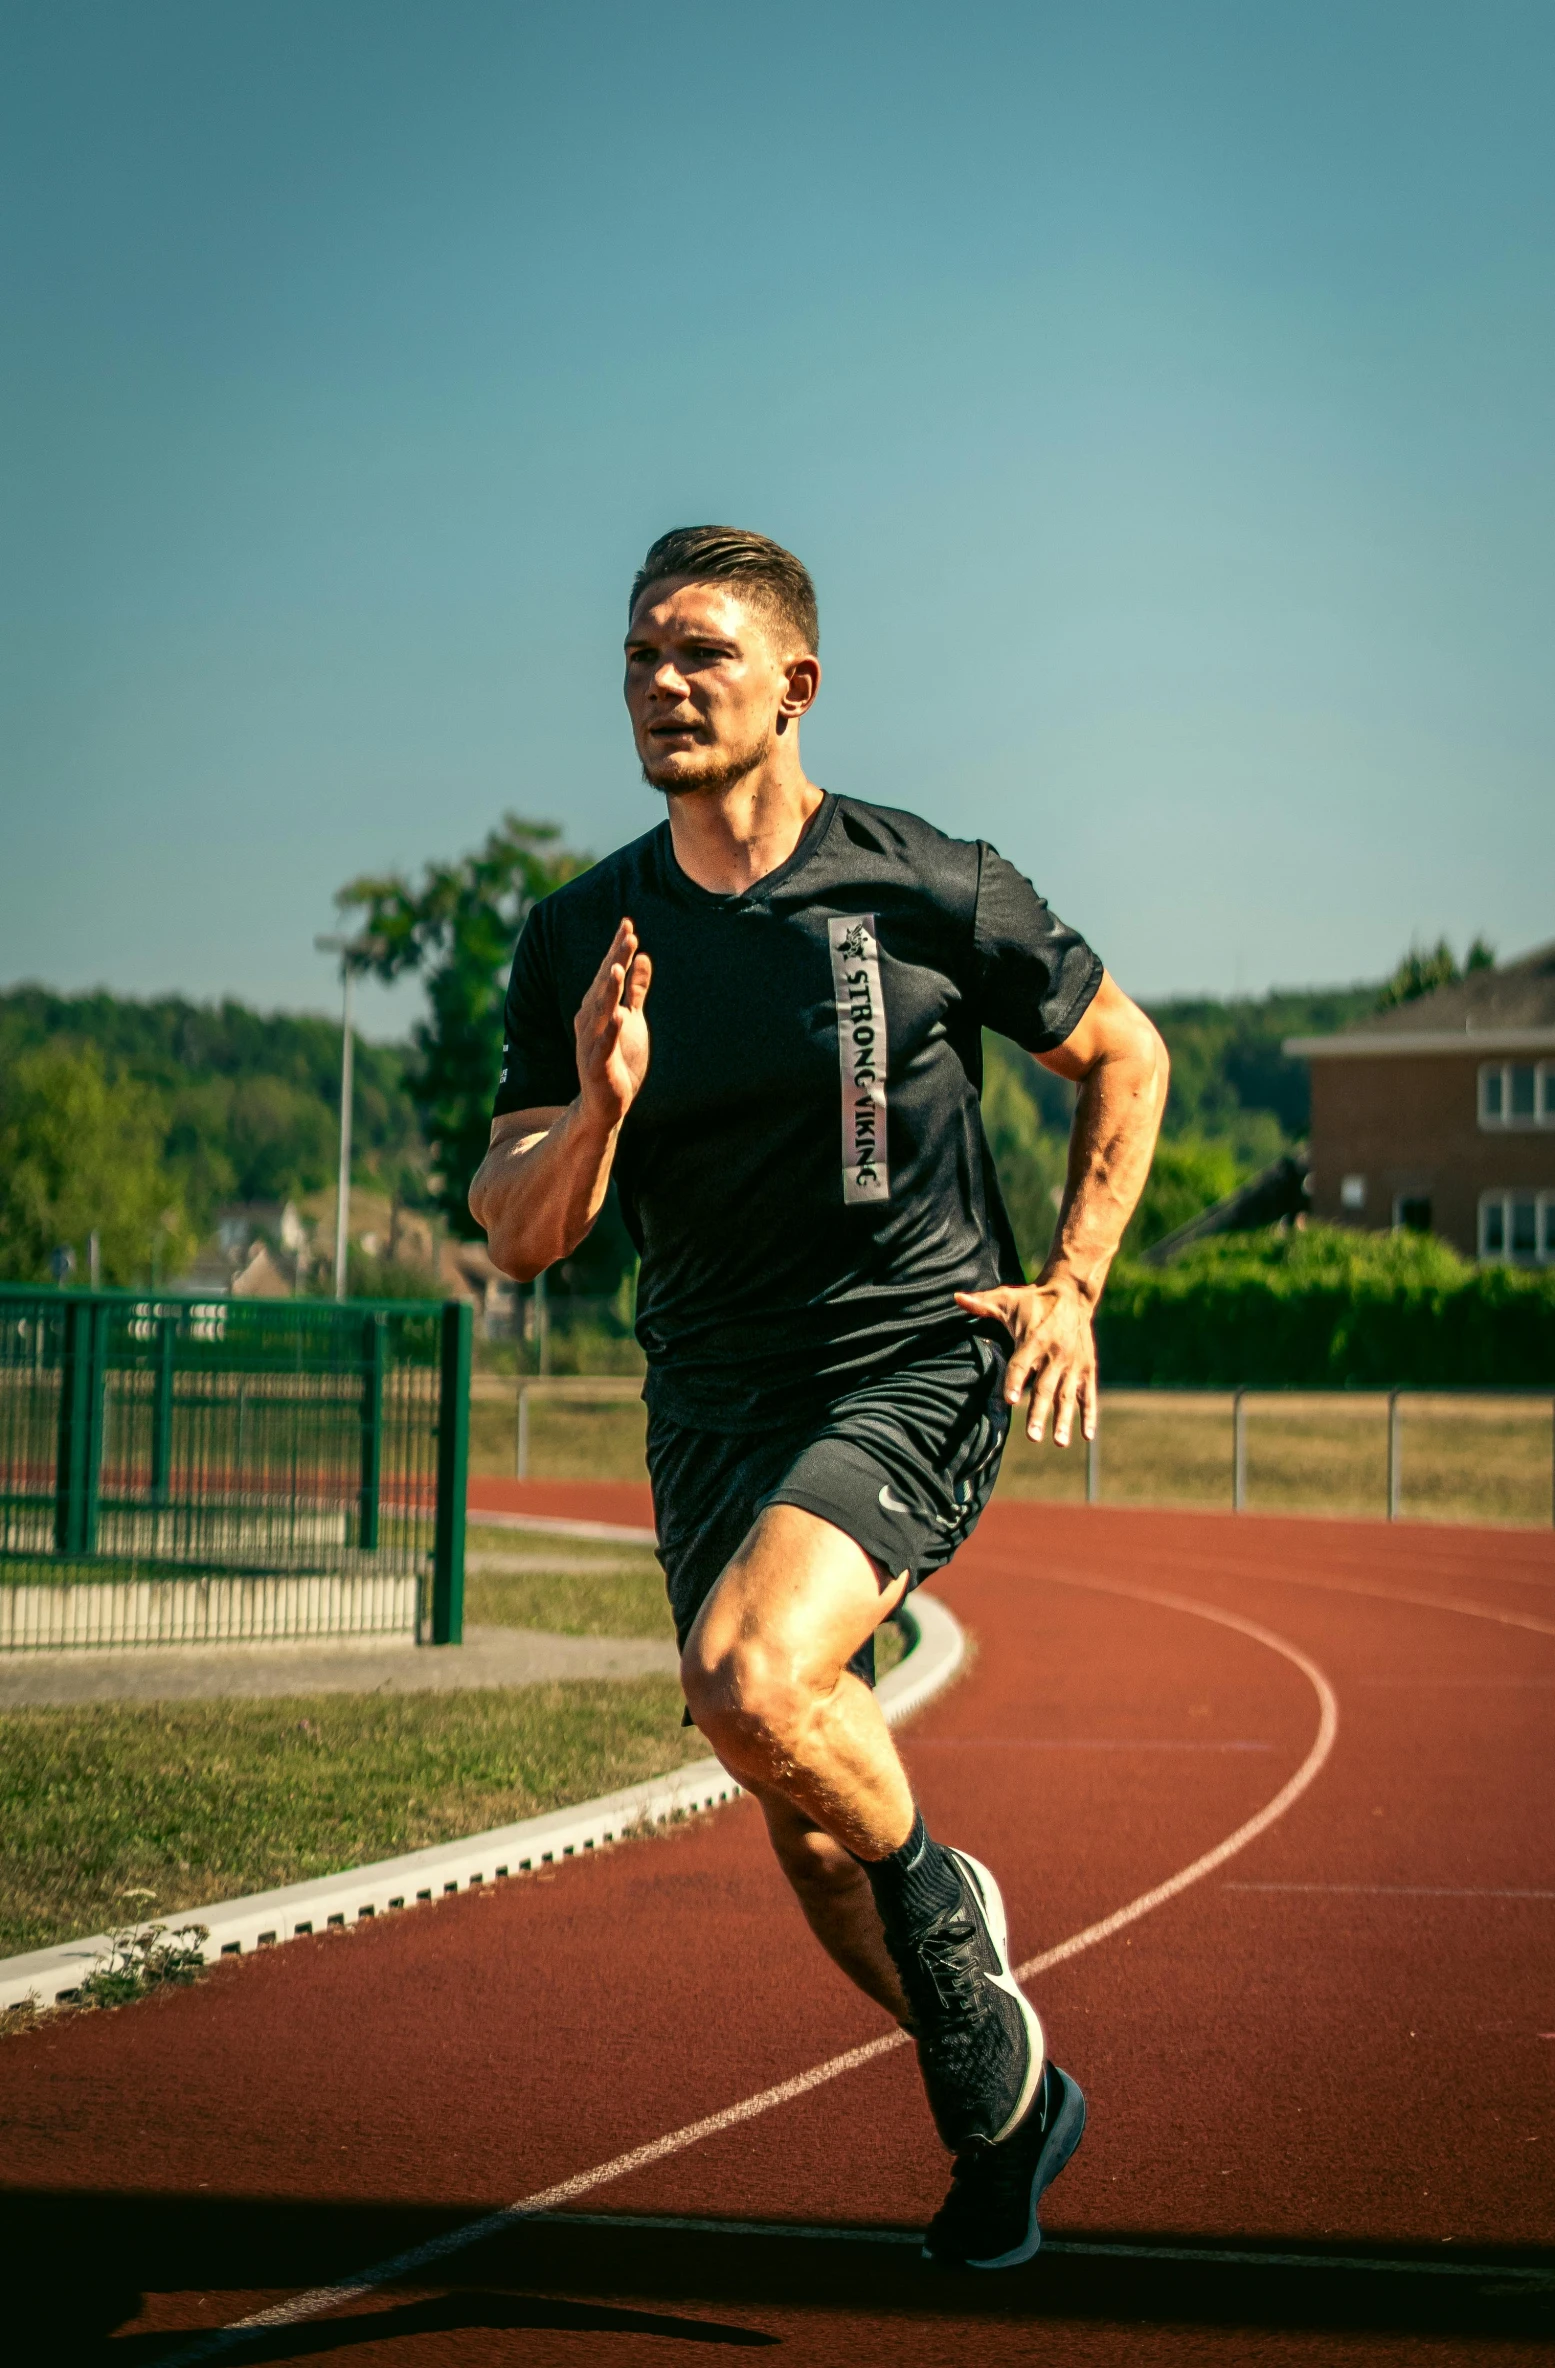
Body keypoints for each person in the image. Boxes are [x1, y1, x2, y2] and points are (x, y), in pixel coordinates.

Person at [469, 526, 1167, 2269]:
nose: (659, 681)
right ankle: (999, 2103)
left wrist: (1071, 1285)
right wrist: (599, 1109)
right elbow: (517, 1233)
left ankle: (947, 1920)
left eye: (698, 652)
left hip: (908, 1360)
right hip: (708, 1396)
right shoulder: (579, 932)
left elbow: (1125, 1058)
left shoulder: (927, 882)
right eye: (637, 654)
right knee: (796, 1808)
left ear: (796, 684)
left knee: (743, 1674)